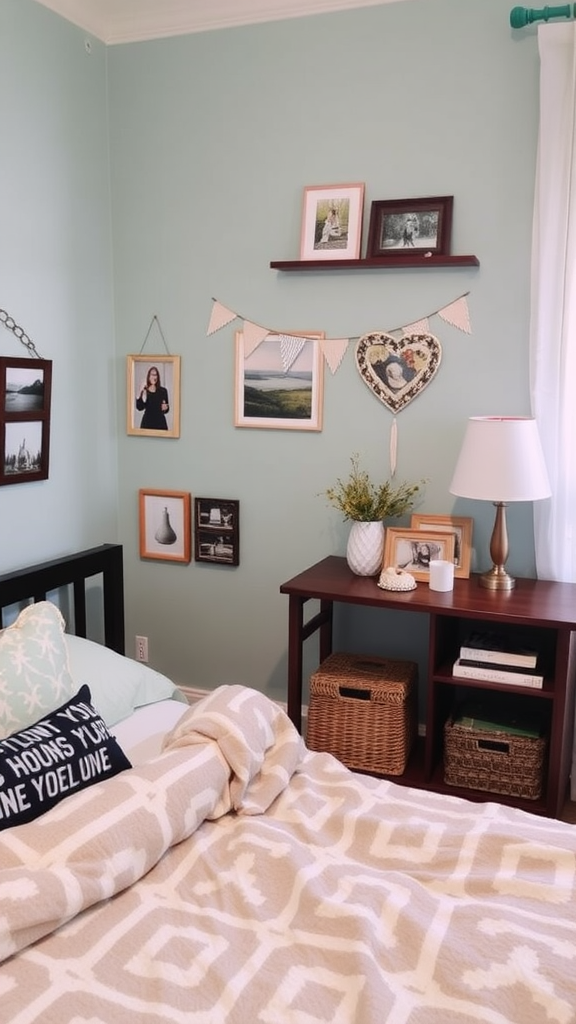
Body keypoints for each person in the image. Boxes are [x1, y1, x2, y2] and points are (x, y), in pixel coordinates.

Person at [136, 365, 170, 430]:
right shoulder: (145, 391)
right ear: (148, 376)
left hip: (160, 424)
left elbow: (167, 409)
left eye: (155, 375)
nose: (154, 377)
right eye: (152, 375)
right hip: (147, 423)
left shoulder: (163, 391)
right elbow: (140, 407)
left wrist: (165, 408)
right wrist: (140, 392)